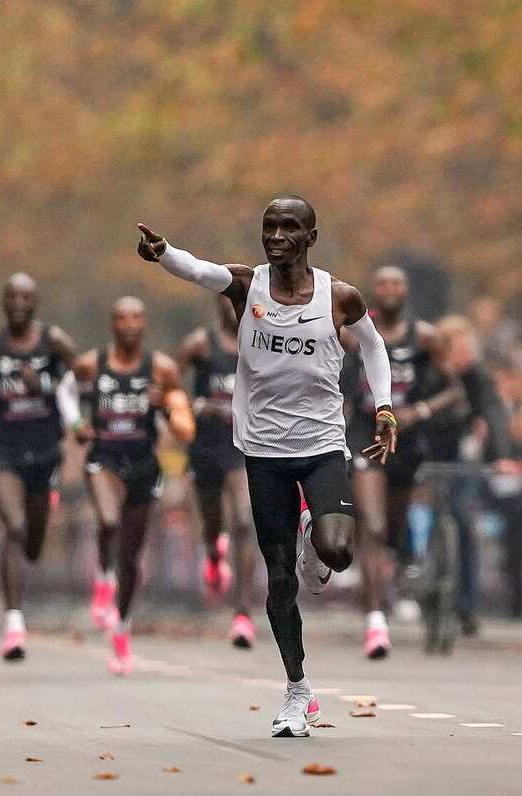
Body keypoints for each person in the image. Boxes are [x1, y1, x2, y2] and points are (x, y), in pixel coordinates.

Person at [137, 193, 396, 738]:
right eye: (269, 227)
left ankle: (313, 535)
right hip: (263, 450)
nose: (276, 237)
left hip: (322, 442)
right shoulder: (245, 284)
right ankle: (298, 691)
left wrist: (385, 405)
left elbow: (374, 348)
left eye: (288, 228)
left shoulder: (339, 296)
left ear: (311, 238)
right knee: (278, 578)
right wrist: (163, 254)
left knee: (339, 550)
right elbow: (199, 270)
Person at [56, 296, 195, 675]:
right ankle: (103, 580)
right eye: (122, 318)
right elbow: (65, 392)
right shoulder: (92, 363)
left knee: (132, 557)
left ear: (144, 324)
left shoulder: (162, 369)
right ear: (112, 324)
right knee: (108, 521)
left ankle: (122, 627)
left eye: (137, 317)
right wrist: (75, 424)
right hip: (104, 457)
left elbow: (184, 424)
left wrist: (165, 405)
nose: (130, 324)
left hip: (144, 464)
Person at [340, 266, 460, 658]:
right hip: (365, 437)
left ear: (406, 292)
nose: (390, 290)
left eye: (397, 284)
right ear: (372, 293)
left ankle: (390, 574)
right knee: (371, 526)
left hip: (406, 441)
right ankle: (376, 619)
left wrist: (420, 410)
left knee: (391, 531)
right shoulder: (355, 333)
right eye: (383, 284)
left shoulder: (424, 338)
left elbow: (455, 390)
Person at [0, 274, 78, 662]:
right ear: (3, 301)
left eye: (25, 296)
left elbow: (86, 382)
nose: (17, 303)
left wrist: (43, 384)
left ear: (35, 303)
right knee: (13, 527)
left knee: (33, 543)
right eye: (10, 295)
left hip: (45, 451)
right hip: (3, 449)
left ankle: (41, 515)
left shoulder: (55, 342)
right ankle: (14, 622)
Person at [418, 315, 516, 636]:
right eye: (461, 350)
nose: (468, 355)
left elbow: (493, 410)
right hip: (425, 448)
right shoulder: (426, 371)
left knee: (463, 519)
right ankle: (419, 578)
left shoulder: (476, 376)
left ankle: (467, 604)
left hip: (461, 452)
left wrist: (501, 454)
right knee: (422, 514)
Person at [176, 294, 260, 648]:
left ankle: (242, 614)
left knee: (243, 520)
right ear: (217, 306)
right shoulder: (199, 344)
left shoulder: (262, 343)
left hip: (244, 447)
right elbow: (168, 385)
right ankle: (214, 553)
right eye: (228, 301)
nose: (234, 307)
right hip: (206, 448)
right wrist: (195, 405)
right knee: (213, 522)